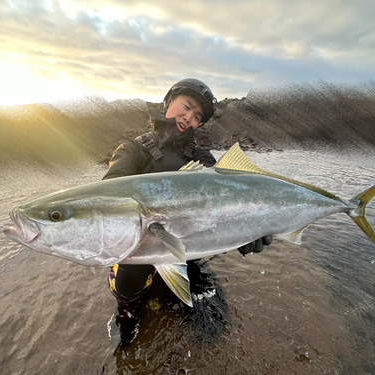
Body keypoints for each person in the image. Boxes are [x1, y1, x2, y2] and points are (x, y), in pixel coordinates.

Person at [104, 78, 272, 346]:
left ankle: (177, 279)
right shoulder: (133, 149)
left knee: (213, 329)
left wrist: (245, 231)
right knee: (130, 274)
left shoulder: (203, 159)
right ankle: (128, 309)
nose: (189, 118)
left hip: (185, 247)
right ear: (169, 101)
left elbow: (222, 207)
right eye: (187, 106)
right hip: (137, 251)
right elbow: (106, 197)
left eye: (197, 117)